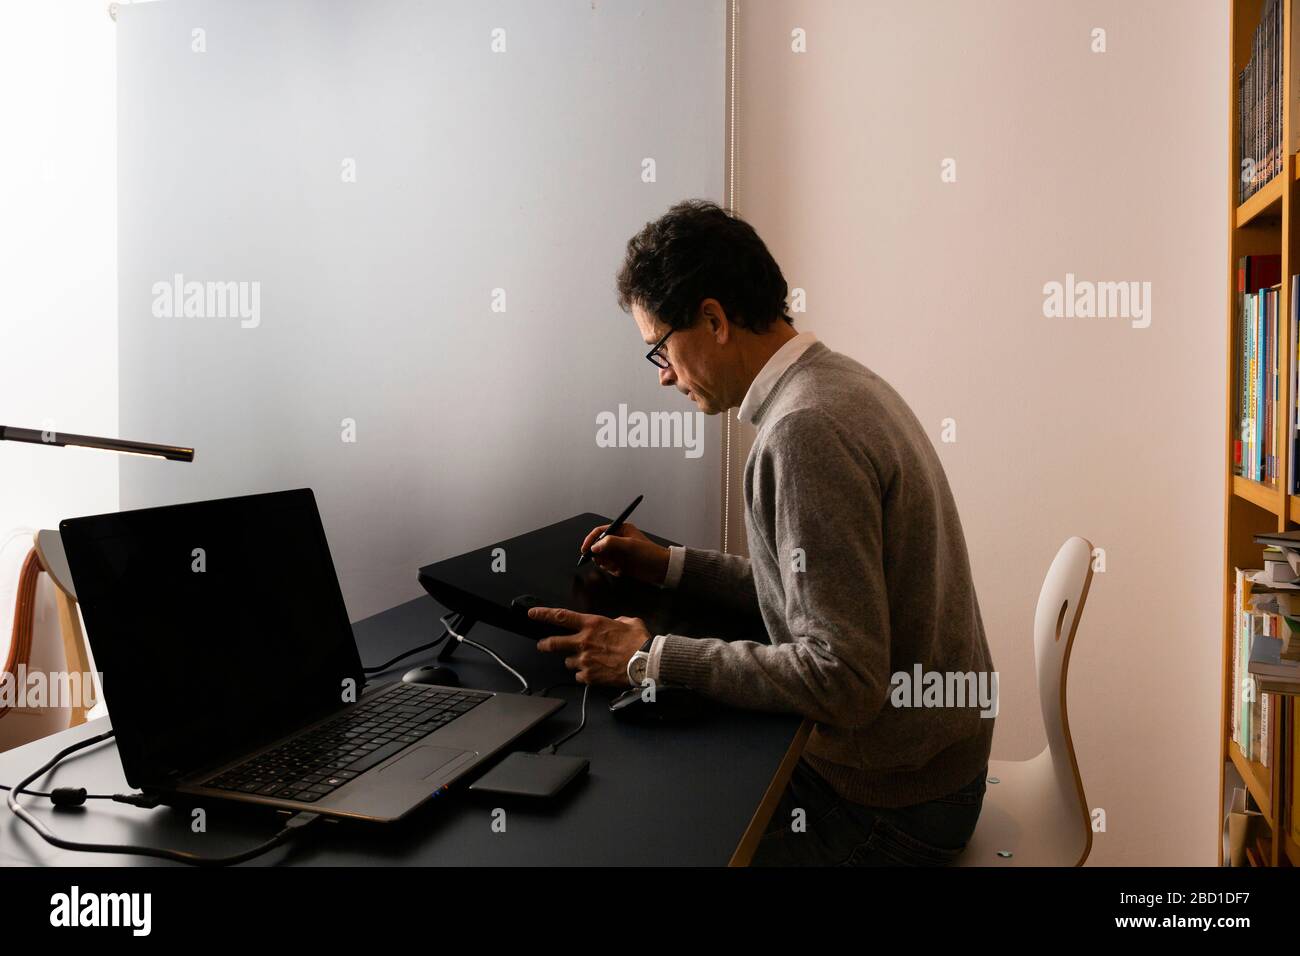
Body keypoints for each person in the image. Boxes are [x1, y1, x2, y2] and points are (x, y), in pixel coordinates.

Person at [531, 199, 995, 865]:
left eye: (659, 347)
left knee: (646, 838)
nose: (662, 375)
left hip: (890, 805)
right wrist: (668, 566)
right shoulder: (839, 385)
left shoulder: (804, 433)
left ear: (715, 320)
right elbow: (817, 595)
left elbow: (842, 679)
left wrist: (650, 656)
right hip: (934, 770)